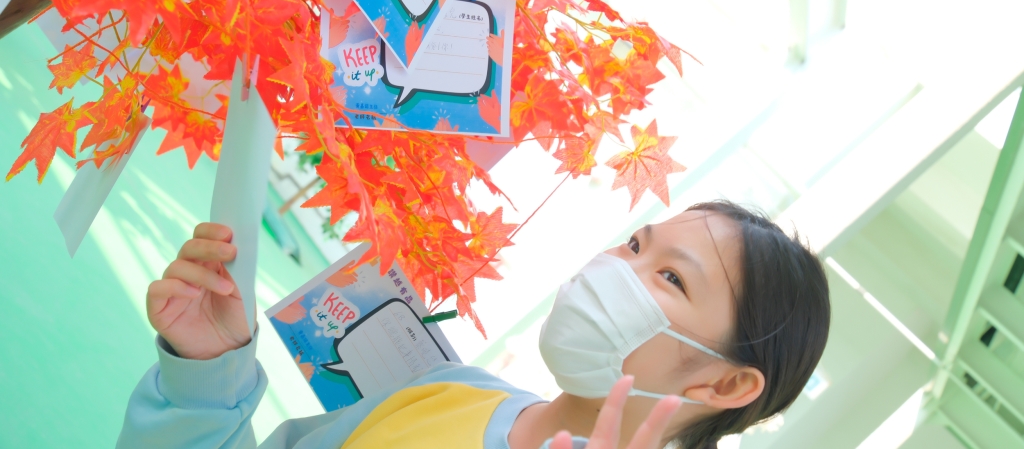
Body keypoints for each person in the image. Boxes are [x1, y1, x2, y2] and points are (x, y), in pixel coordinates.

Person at [116, 200, 831, 449]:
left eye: (672, 278)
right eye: (637, 245)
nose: (620, 268)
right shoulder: (452, 387)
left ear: (725, 383)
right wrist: (204, 373)